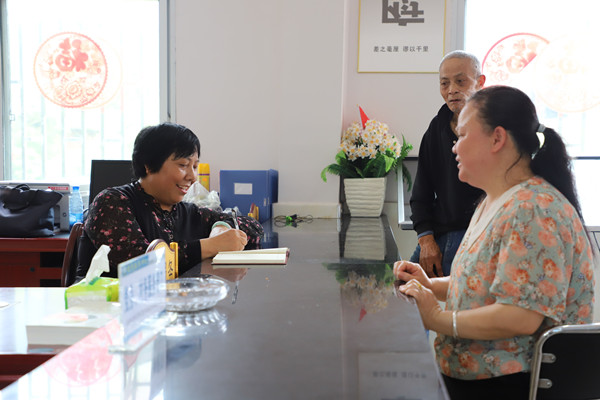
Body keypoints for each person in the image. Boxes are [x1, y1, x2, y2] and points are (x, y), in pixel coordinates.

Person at [394, 86, 595, 399]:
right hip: (476, 379)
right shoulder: (495, 200)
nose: (454, 147)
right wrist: (430, 285)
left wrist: (437, 318)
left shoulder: (534, 208)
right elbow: (486, 282)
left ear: (497, 138)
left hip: (508, 384)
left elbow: (520, 316)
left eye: (462, 135)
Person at [76, 122, 264, 278]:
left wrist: (221, 226)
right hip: (103, 308)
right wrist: (211, 245)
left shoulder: (184, 211)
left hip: (164, 306)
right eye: (183, 165)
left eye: (195, 166)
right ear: (149, 165)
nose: (193, 177)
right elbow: (143, 266)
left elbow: (254, 228)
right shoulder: (112, 202)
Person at [409, 50, 485, 277]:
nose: (452, 90)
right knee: (402, 285)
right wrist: (426, 239)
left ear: (480, 82)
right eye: (444, 83)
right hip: (440, 233)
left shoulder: (494, 128)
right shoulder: (436, 128)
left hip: (480, 234)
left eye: (460, 81)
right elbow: (421, 193)